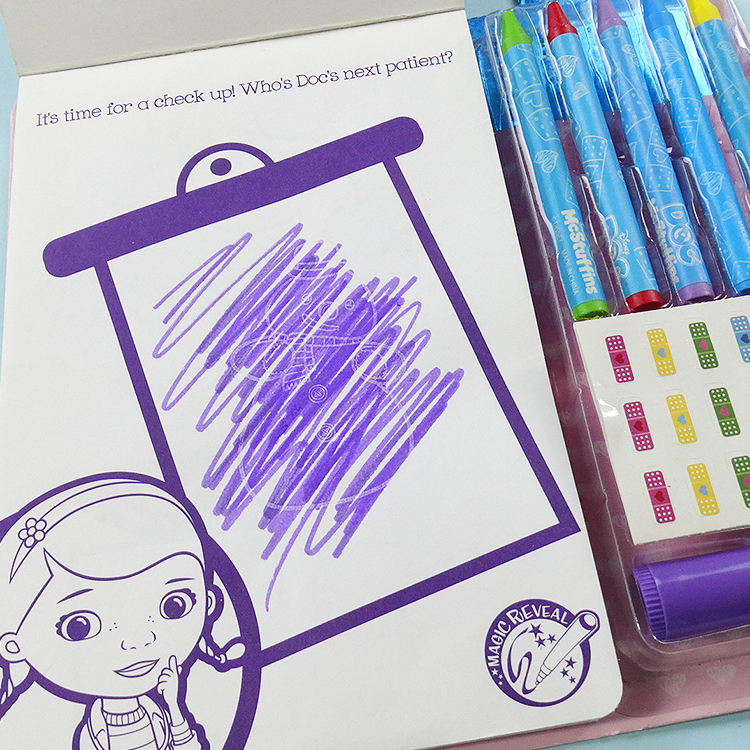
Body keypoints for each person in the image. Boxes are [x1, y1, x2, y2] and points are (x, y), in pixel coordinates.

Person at [0, 475, 240, 749]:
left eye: (174, 605)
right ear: (14, 645)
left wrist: (173, 706)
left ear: (208, 603)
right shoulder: (93, 733)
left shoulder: (156, 711)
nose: (137, 640)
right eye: (79, 626)